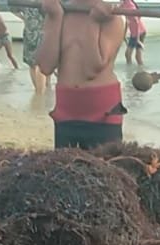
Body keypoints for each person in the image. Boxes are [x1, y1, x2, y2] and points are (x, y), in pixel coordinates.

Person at [37, 0, 125, 148]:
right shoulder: (60, 12)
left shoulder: (112, 17)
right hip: (66, 110)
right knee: (65, 169)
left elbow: (91, 69)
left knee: (103, 169)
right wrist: (56, 17)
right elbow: (45, 66)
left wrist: (93, 22)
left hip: (103, 113)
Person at [13, 1, 46, 92]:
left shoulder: (26, 2)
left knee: (32, 64)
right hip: (41, 33)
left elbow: (13, 8)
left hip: (29, 33)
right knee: (41, 65)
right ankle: (41, 93)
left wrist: (24, 18)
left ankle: (37, 91)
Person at [120, 0, 142, 65]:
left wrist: (137, 39)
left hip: (138, 32)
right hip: (135, 32)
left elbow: (136, 21)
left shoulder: (129, 4)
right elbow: (127, 21)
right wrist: (124, 34)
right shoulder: (124, 4)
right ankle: (138, 71)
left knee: (128, 54)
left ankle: (130, 73)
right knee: (136, 57)